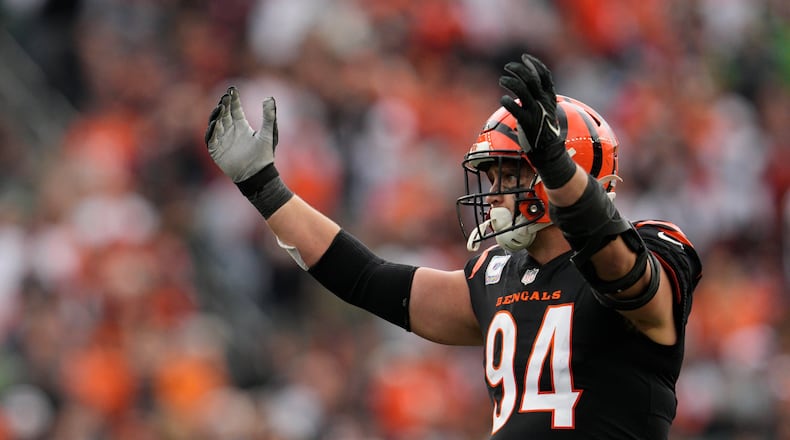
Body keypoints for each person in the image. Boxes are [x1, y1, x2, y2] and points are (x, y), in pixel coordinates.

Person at [204, 53, 702, 439]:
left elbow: (622, 272)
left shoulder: (654, 249)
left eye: (509, 173)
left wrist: (555, 165)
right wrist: (266, 189)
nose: (495, 192)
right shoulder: (498, 276)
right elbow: (367, 279)